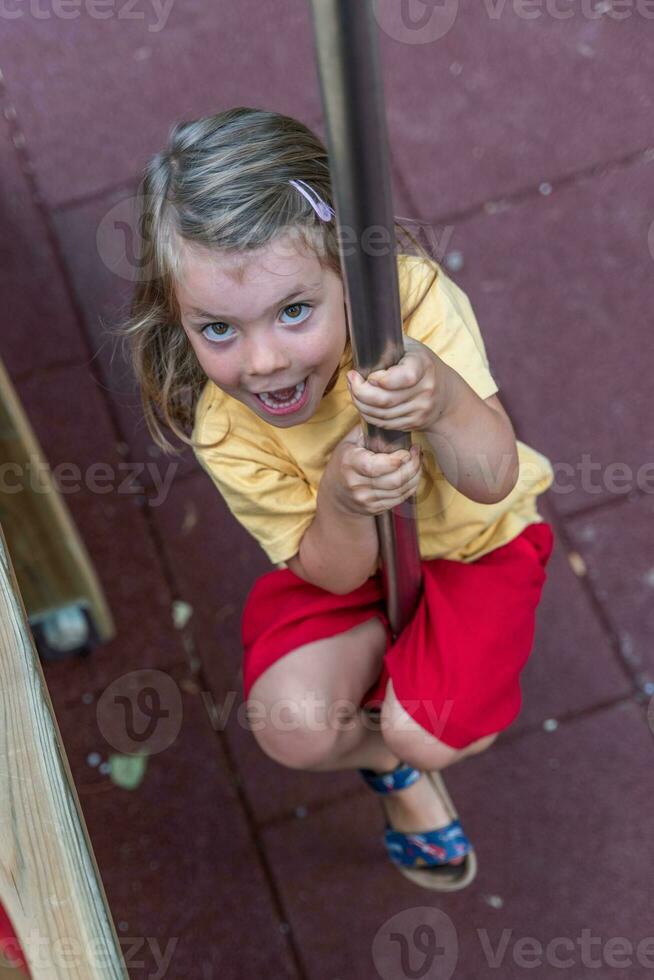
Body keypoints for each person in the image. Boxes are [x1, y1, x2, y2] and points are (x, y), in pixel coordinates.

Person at [121, 106, 555, 891]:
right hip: (348, 565)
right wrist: (347, 503)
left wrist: (442, 400)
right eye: (217, 329)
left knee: (428, 731)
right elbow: (325, 570)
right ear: (177, 319)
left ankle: (407, 739)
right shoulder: (222, 421)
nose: (262, 363)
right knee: (287, 728)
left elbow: (491, 480)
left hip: (476, 543)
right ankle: (385, 759)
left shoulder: (407, 305)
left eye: (294, 312)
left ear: (348, 270)